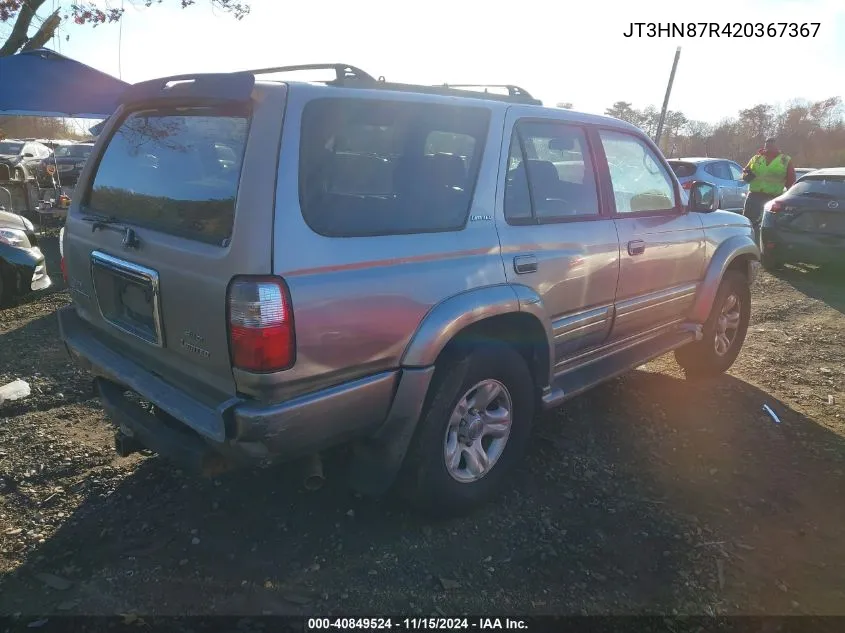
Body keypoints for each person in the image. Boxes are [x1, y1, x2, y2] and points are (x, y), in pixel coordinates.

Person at [741, 137, 795, 236]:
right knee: (747, 222)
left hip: (773, 197)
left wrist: (790, 198)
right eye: (767, 145)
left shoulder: (785, 160)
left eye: (771, 145)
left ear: (777, 146)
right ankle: (746, 240)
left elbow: (791, 181)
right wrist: (746, 175)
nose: (769, 147)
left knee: (769, 225)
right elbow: (745, 172)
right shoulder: (756, 158)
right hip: (754, 195)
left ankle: (765, 242)